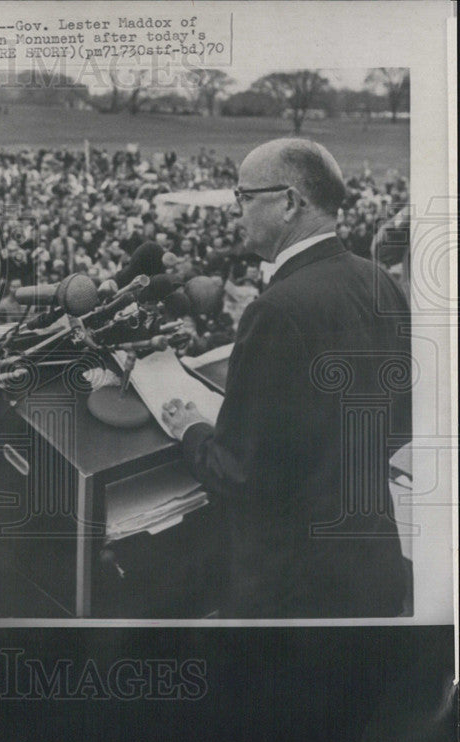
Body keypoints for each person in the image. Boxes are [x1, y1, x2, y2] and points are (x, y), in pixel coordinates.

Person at [160, 138, 411, 618]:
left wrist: (190, 427)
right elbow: (402, 419)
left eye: (245, 197)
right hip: (373, 565)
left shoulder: (275, 310)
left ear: (291, 202)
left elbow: (239, 472)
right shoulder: (380, 282)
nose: (237, 212)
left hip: (295, 590)